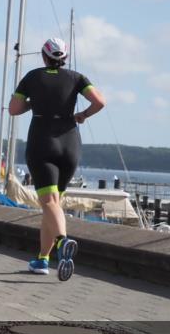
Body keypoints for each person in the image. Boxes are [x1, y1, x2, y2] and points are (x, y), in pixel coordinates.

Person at [8, 37, 105, 281]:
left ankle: (62, 243)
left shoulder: (32, 76)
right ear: (64, 58)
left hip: (43, 142)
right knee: (53, 205)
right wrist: (82, 114)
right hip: (70, 144)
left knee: (49, 202)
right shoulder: (77, 77)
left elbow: (14, 109)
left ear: (44, 56)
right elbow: (99, 102)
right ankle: (42, 259)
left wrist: (34, 102)